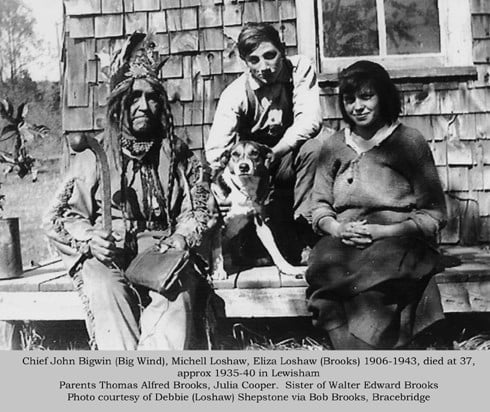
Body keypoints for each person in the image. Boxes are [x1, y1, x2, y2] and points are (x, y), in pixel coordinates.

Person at [44, 33, 212, 350]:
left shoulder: (176, 154)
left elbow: (196, 210)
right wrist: (90, 239)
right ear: (119, 103)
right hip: (109, 258)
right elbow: (63, 217)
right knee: (105, 290)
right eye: (134, 98)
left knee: (176, 291)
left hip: (161, 252)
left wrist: (182, 236)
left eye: (152, 98)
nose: (143, 106)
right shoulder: (95, 156)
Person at [306, 60, 447, 349]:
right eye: (349, 99)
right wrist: (338, 229)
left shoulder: (409, 141)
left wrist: (383, 232)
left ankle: (362, 352)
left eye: (366, 96)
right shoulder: (334, 145)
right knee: (322, 264)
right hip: (345, 239)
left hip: (396, 237)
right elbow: (319, 206)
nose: (357, 106)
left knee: (380, 272)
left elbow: (434, 213)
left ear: (383, 96)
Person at [205, 22, 323, 263]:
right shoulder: (235, 94)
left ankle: (306, 234)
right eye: (254, 60)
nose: (264, 67)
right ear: (245, 62)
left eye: (270, 55)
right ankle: (251, 240)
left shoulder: (299, 69)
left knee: (315, 148)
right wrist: (213, 193)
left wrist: (276, 152)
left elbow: (310, 121)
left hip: (287, 155)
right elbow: (216, 151)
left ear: (283, 50)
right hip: (254, 168)